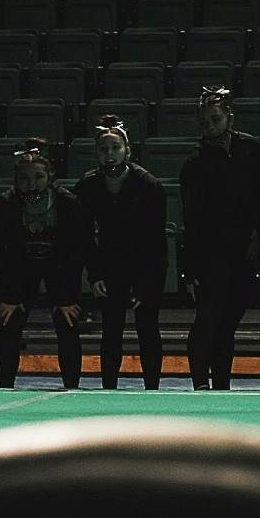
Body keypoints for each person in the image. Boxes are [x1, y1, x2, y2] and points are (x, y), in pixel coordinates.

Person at [179, 87, 260, 391]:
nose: (210, 126)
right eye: (204, 122)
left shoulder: (250, 149)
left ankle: (221, 385)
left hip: (244, 251)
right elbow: (191, 219)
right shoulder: (194, 163)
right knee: (207, 319)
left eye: (215, 119)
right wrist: (190, 268)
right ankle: (200, 383)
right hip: (210, 254)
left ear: (229, 117)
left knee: (228, 323)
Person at [0, 139, 89, 389]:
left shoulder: (68, 203)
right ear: (16, 179)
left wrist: (65, 297)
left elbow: (77, 251)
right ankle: (5, 388)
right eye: (24, 178)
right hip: (18, 269)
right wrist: (11, 295)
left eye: (38, 177)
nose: (31, 184)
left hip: (60, 269)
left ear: (50, 175)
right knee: (10, 322)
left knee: (67, 321)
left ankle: (72, 388)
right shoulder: (5, 204)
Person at [75, 115, 167, 389]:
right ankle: (109, 388)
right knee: (111, 330)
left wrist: (146, 284)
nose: (109, 154)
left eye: (115, 147)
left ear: (127, 150)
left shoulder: (149, 185)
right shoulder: (88, 185)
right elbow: (84, 236)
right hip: (109, 265)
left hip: (145, 264)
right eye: (103, 149)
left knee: (147, 327)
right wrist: (94, 275)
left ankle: (153, 388)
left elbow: (156, 240)